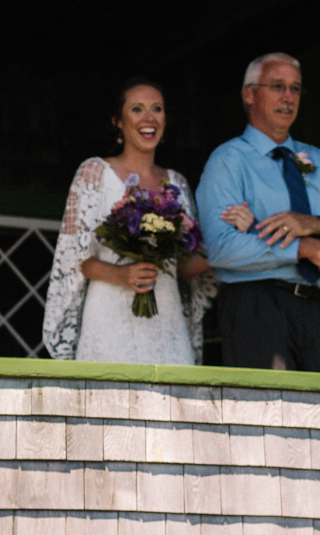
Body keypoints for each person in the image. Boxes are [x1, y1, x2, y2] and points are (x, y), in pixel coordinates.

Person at [196, 51, 320, 373]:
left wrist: (316, 225)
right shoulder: (228, 160)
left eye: (295, 88)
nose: (288, 97)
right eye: (277, 86)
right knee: (271, 414)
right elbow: (221, 248)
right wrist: (303, 247)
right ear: (249, 94)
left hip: (316, 306)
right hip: (256, 305)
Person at [43, 79, 214, 363]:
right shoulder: (94, 172)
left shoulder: (178, 183)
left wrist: (229, 248)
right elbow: (75, 258)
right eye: (137, 109)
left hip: (166, 319)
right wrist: (121, 275)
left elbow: (183, 266)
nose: (149, 118)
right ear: (118, 122)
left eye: (157, 109)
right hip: (110, 320)